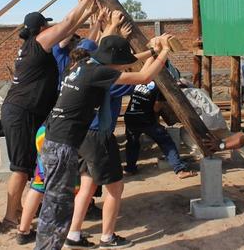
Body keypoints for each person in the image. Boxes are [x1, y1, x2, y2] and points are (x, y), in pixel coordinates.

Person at [35, 34, 170, 250]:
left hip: (65, 138)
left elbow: (129, 61)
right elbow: (144, 77)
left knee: (84, 187)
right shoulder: (99, 73)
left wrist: (153, 52)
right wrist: (165, 51)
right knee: (74, 201)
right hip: (73, 141)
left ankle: (74, 235)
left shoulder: (84, 65)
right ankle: (107, 238)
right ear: (112, 60)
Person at [0, 0, 95, 239]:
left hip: (25, 111)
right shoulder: (38, 42)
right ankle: (11, 216)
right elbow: (65, 24)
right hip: (20, 112)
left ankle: (20, 209)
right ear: (41, 29)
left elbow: (67, 27)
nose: (51, 28)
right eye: (47, 25)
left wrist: (89, 12)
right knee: (21, 167)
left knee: (30, 165)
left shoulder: (33, 46)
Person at [123, 74, 197, 179]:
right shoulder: (160, 86)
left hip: (130, 117)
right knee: (166, 141)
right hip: (146, 120)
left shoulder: (139, 80)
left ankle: (130, 169)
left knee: (132, 143)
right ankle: (179, 169)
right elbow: (156, 108)